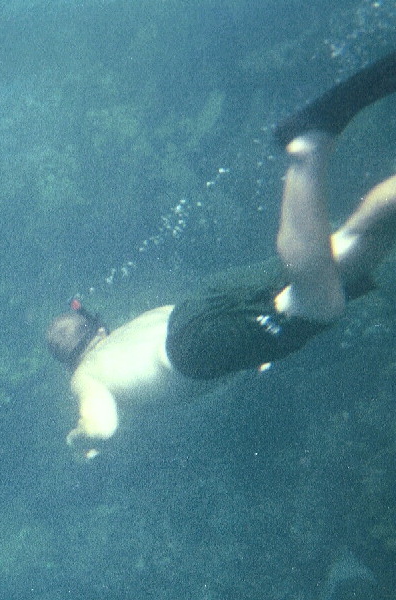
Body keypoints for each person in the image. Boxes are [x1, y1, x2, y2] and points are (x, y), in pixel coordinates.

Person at [47, 52, 396, 460]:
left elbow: (102, 427)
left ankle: (308, 147)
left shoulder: (87, 375)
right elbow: (213, 326)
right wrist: (249, 342)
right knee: (349, 253)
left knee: (319, 304)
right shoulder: (125, 333)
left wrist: (79, 438)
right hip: (199, 305)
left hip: (190, 349)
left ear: (69, 363)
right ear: (97, 327)